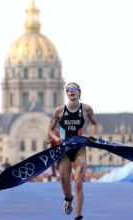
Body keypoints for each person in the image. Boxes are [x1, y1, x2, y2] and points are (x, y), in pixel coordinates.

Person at [48, 82, 98, 220]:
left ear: (79, 93)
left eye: (74, 89)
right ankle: (68, 198)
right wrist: (54, 138)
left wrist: (92, 135)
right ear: (66, 93)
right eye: (68, 89)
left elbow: (95, 124)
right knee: (65, 186)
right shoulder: (59, 111)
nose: (71, 91)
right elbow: (50, 129)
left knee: (78, 182)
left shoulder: (86, 109)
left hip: (79, 149)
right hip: (64, 149)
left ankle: (78, 216)